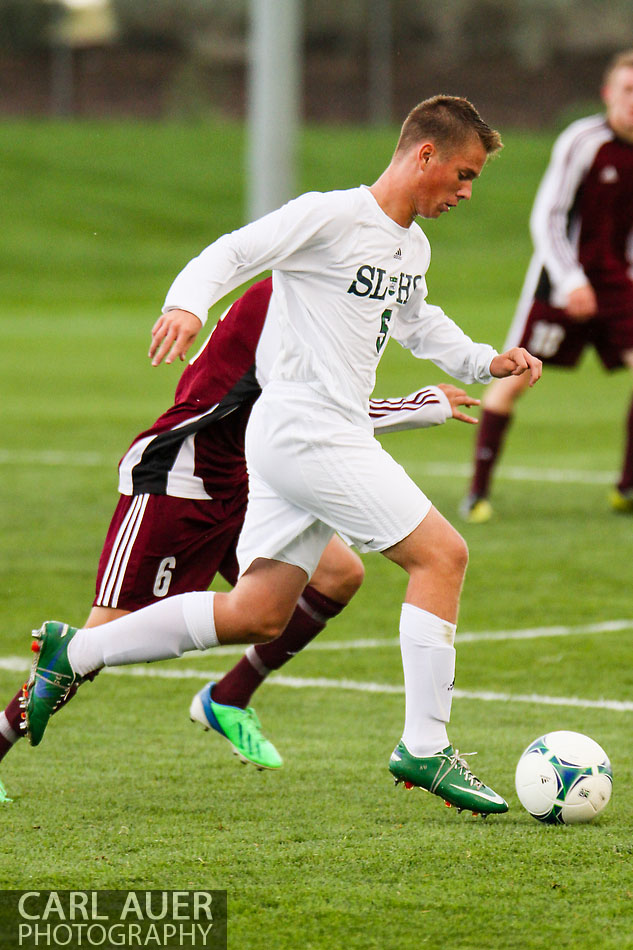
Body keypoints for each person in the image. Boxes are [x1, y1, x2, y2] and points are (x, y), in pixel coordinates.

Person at [24, 95, 541, 816]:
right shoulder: (331, 215)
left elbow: (420, 323)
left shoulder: (409, 247)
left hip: (293, 438)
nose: (464, 191)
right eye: (461, 174)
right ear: (422, 154)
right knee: (442, 556)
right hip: (307, 431)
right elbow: (234, 251)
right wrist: (187, 303)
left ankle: (73, 653)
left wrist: (487, 361)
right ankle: (425, 747)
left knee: (257, 612)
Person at [0, 276, 480, 802]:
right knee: (96, 643)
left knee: (339, 575)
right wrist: (417, 406)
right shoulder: (292, 303)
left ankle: (228, 699)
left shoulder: (311, 294)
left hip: (246, 474)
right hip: (178, 477)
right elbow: (313, 419)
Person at [461, 49, 633, 524]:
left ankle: (628, 487)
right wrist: (571, 280)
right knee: (513, 377)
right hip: (561, 282)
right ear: (608, 94)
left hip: (620, 283)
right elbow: (549, 216)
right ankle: (477, 493)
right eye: (628, 90)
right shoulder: (582, 141)